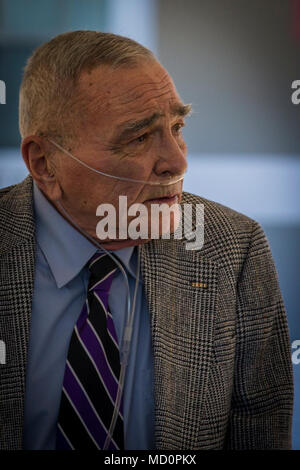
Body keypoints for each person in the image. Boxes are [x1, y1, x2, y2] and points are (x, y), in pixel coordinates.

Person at [0, 30, 294, 450]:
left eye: (177, 126)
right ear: (45, 163)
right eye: (138, 138)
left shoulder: (233, 249)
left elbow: (262, 432)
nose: (177, 161)